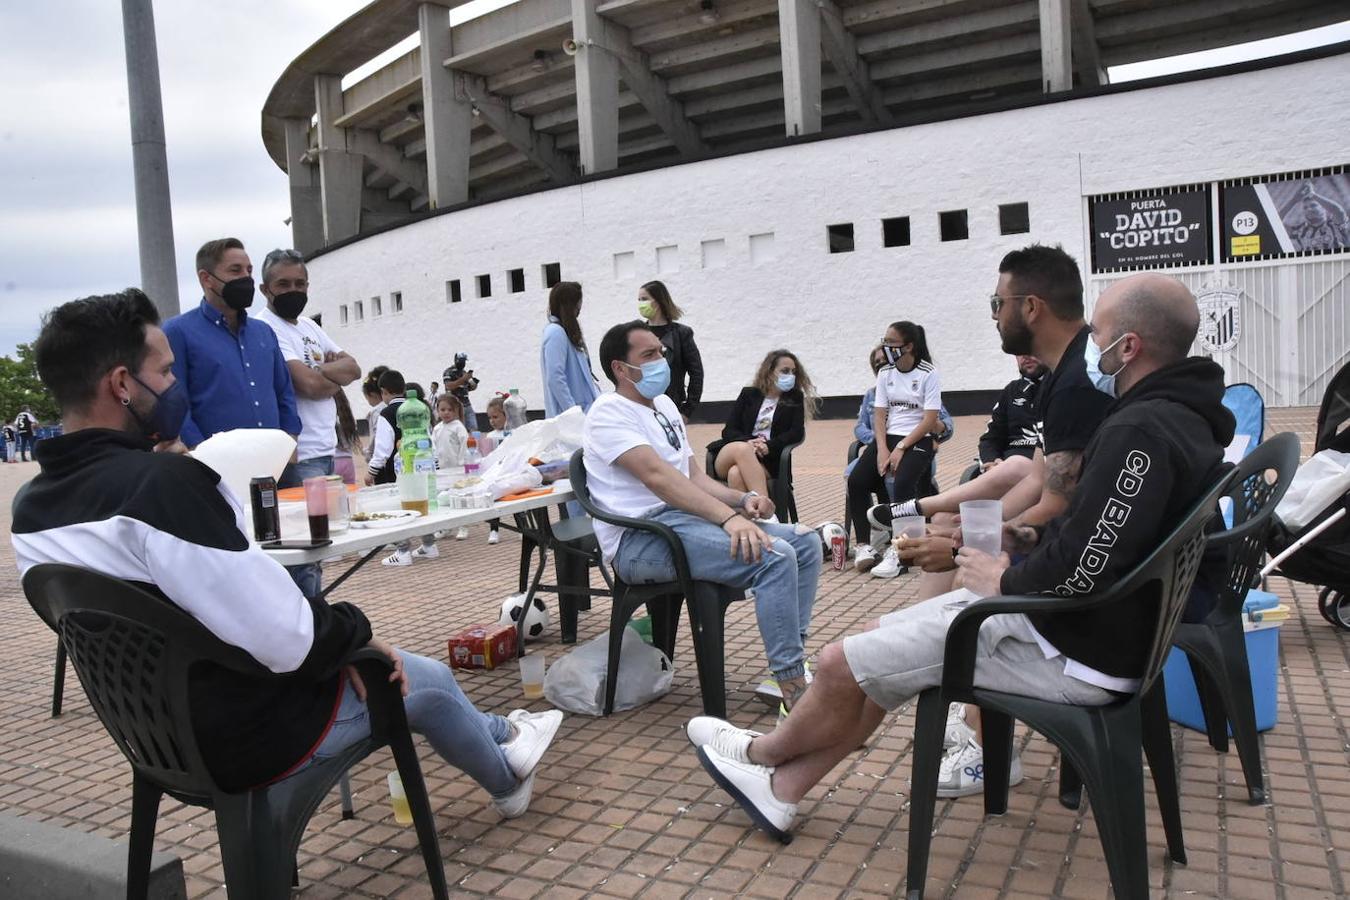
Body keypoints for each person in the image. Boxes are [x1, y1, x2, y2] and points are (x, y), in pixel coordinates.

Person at [685, 272, 1235, 840]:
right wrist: (1005, 548)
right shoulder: (1183, 415)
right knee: (873, 642)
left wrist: (1003, 578)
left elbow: (1088, 559)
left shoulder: (1142, 429)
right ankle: (779, 788)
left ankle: (762, 754)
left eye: (1097, 333)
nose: (1089, 345)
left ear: (1130, 347)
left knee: (839, 662)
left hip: (1079, 645)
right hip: (1092, 627)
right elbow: (1092, 534)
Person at [14, 289, 563, 817]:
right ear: (122, 385)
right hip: (252, 730)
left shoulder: (31, 511)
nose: (175, 383)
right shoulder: (162, 488)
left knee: (377, 660)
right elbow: (286, 636)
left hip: (150, 734)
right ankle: (509, 776)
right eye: (163, 372)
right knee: (419, 677)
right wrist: (355, 635)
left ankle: (507, 734)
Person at [583, 321, 821, 715]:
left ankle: (787, 666)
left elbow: (693, 478)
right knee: (774, 556)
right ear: (620, 370)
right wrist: (728, 520)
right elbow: (659, 480)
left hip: (681, 521)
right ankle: (795, 691)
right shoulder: (608, 413)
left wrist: (743, 499)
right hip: (640, 539)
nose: (662, 361)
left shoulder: (664, 406)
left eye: (661, 352)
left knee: (807, 543)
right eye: (649, 356)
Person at [162, 238, 301, 450]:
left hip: (275, 461)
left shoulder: (263, 332)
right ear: (206, 278)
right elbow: (176, 405)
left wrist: (290, 440)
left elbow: (284, 392)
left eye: (249, 270)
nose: (246, 278)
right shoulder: (178, 332)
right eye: (235, 271)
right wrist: (200, 455)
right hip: (215, 467)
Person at [253, 248, 362, 489]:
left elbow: (354, 369)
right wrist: (331, 371)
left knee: (332, 524)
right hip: (297, 457)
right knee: (311, 525)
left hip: (327, 450)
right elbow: (308, 385)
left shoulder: (308, 325)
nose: (293, 290)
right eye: (283, 284)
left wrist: (318, 369)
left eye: (299, 284)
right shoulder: (264, 327)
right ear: (264, 289)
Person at [848, 322, 942, 578]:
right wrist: (881, 449)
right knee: (857, 480)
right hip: (888, 436)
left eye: (891, 342)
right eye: (884, 340)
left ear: (909, 346)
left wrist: (901, 447)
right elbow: (879, 416)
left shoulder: (927, 373)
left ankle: (900, 552)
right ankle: (864, 546)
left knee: (902, 485)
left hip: (918, 438)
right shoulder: (885, 373)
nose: (886, 346)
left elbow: (929, 419)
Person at [706, 349, 819, 513]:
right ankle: (769, 513)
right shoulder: (749, 394)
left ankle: (751, 525)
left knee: (736, 474)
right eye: (785, 371)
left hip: (766, 460)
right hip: (730, 454)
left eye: (793, 372)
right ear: (770, 371)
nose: (791, 375)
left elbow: (796, 433)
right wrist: (749, 442)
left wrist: (769, 446)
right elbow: (729, 430)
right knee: (743, 450)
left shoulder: (794, 398)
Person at [638, 281, 704, 420]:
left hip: (672, 406)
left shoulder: (681, 333)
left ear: (658, 301)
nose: (640, 304)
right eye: (639, 300)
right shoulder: (637, 333)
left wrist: (687, 411)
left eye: (644, 299)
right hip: (642, 407)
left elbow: (696, 373)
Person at [975, 355, 1047, 471]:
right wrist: (991, 462)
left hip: (1041, 469)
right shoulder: (1011, 390)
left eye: (1030, 348)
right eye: (1018, 351)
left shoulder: (1061, 388)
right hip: (1005, 466)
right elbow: (990, 438)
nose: (1025, 356)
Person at [540, 282, 601, 418]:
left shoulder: (567, 332)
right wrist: (573, 412)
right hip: (571, 419)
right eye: (579, 303)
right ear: (572, 305)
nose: (580, 308)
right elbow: (555, 378)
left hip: (584, 413)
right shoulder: (556, 332)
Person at [432, 394, 473, 545]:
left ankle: (463, 526)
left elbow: (465, 444)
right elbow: (434, 447)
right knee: (443, 498)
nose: (446, 412)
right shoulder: (437, 428)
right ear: (437, 410)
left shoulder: (458, 427)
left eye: (450, 409)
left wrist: (463, 462)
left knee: (459, 497)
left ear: (456, 410)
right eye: (442, 409)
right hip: (442, 470)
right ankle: (445, 526)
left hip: (457, 469)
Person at [441, 353, 479, 430]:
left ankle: (473, 441)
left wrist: (473, 384)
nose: (463, 363)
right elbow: (449, 386)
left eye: (464, 361)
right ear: (455, 360)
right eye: (461, 361)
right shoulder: (448, 372)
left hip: (467, 404)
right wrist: (463, 379)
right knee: (459, 429)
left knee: (474, 428)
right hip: (455, 405)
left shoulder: (463, 372)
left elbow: (467, 388)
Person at [361, 366, 389, 464]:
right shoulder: (391, 406)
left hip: (381, 460)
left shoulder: (377, 412)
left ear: (372, 395)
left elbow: (378, 436)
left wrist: (368, 452)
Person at [333, 391, 360, 485]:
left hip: (334, 460)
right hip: (348, 461)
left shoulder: (330, 419)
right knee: (349, 494)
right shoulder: (348, 418)